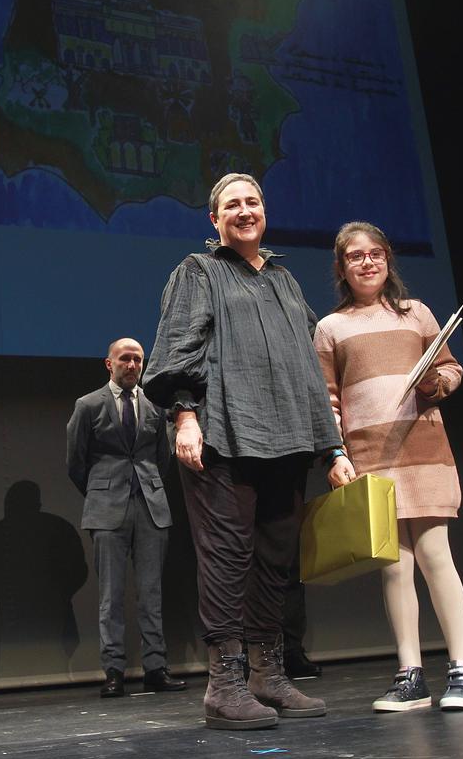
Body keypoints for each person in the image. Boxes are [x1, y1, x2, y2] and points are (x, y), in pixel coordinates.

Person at [143, 173, 354, 730]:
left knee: (275, 561)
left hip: (288, 439)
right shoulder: (200, 271)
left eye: (253, 202)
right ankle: (224, 684)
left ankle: (268, 674)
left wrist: (332, 447)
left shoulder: (284, 280)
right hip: (225, 437)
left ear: (265, 212)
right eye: (231, 204)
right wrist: (185, 416)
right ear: (214, 220)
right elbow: (178, 348)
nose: (244, 210)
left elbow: (313, 368)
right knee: (227, 558)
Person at [313, 221, 463, 711]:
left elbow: (450, 366)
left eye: (375, 253)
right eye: (354, 256)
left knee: (436, 557)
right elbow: (327, 401)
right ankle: (410, 674)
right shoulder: (331, 328)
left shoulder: (417, 314)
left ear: (387, 259)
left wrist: (439, 385)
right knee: (395, 567)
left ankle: (462, 671)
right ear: (342, 268)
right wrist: (336, 453)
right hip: (370, 457)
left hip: (422, 449)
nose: (366, 262)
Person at [66, 338, 186, 698]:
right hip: (107, 508)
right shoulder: (88, 405)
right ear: (109, 363)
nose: (132, 365)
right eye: (125, 359)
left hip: (150, 506)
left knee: (151, 593)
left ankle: (155, 668)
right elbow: (76, 462)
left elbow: (162, 459)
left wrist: (147, 487)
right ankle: (114, 671)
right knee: (111, 597)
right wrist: (101, 491)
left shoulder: (154, 407)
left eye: (137, 359)